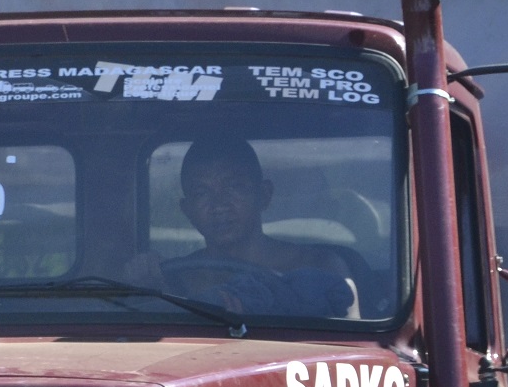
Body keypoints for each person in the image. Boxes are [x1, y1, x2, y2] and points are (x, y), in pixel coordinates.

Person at [149, 137, 361, 319]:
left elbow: (353, 347)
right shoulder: (175, 280)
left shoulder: (321, 268)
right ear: (187, 210)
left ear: (264, 195)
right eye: (201, 193)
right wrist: (147, 282)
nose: (219, 205)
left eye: (234, 187)